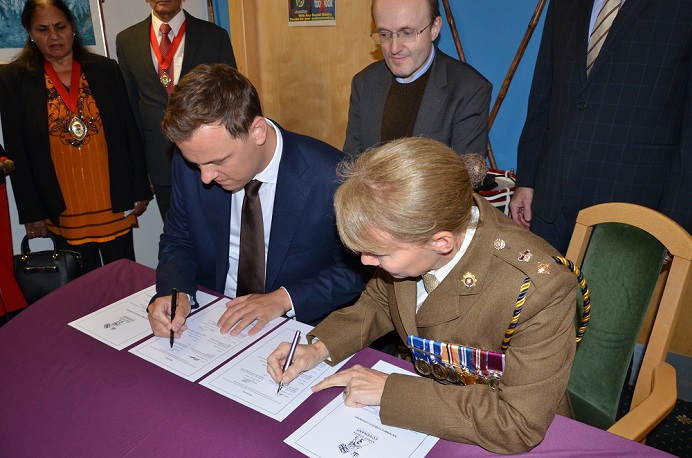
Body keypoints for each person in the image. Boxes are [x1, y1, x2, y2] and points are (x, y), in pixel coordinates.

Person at [267, 138, 579, 454]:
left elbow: (517, 423)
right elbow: (380, 302)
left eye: (378, 253)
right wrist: (320, 347)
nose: (365, 261)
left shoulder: (538, 289)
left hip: (498, 431)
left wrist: (390, 391)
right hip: (434, 408)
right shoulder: (414, 228)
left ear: (440, 243)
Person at [147, 64, 369, 341]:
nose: (205, 177)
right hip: (212, 319)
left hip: (297, 328)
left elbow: (357, 273)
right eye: (197, 164)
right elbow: (179, 238)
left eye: (218, 161)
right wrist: (174, 291)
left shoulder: (332, 178)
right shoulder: (191, 162)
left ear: (257, 132)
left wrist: (284, 299)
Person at [510, 0, 691, 254]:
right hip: (549, 203)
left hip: (632, 211)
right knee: (536, 294)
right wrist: (526, 180)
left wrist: (674, 225)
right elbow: (544, 91)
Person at [0, 0, 151, 273]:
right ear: (30, 33)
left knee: (124, 277)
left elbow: (130, 131)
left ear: (73, 28)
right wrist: (32, 213)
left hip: (112, 199)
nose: (54, 36)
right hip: (62, 206)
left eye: (60, 27)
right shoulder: (14, 79)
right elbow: (17, 150)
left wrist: (139, 187)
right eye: (43, 29)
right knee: (82, 288)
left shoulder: (105, 69)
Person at [116, 0, 236, 220]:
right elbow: (130, 110)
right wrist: (140, 169)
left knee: (218, 230)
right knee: (176, 235)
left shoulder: (214, 35)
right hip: (160, 162)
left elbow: (231, 100)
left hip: (211, 159)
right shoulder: (126, 41)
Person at [343, 0, 491, 157]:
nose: (394, 48)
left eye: (407, 33)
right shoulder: (364, 84)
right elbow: (351, 166)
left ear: (434, 28)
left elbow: (463, 178)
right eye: (385, 34)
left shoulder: (469, 90)